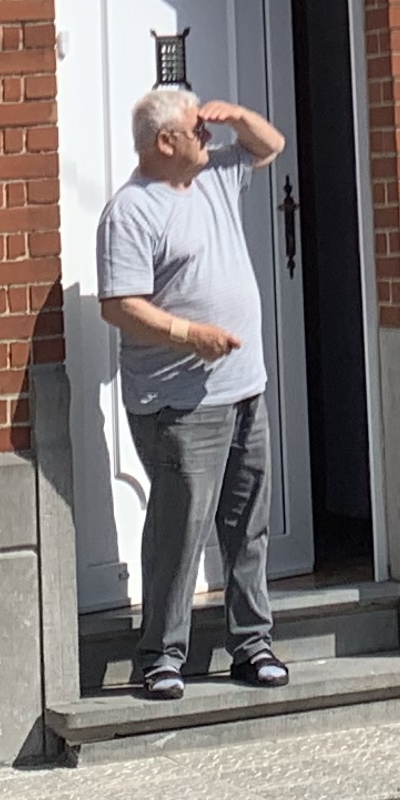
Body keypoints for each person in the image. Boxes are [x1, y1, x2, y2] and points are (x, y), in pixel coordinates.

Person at [95, 81, 291, 698]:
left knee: (247, 525)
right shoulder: (131, 211)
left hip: (244, 387)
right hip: (178, 402)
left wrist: (237, 115)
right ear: (164, 141)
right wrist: (188, 335)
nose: (207, 134)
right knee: (179, 533)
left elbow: (271, 145)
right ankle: (160, 657)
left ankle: (252, 645)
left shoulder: (215, 175)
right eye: (196, 127)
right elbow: (119, 305)